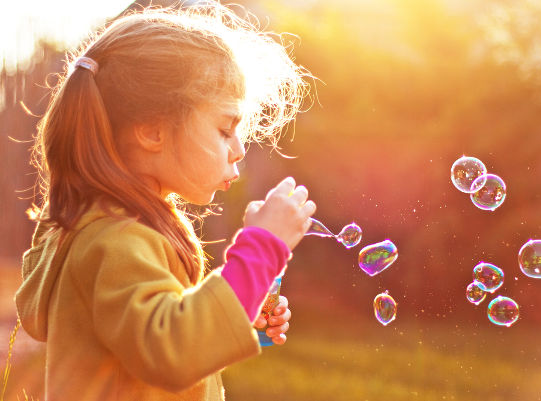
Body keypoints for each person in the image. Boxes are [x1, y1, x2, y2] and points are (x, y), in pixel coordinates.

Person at [14, 2, 316, 400]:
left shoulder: (111, 230)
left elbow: (159, 351)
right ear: (152, 131)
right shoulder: (116, 242)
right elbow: (175, 352)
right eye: (226, 129)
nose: (240, 149)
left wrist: (242, 304)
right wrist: (262, 247)